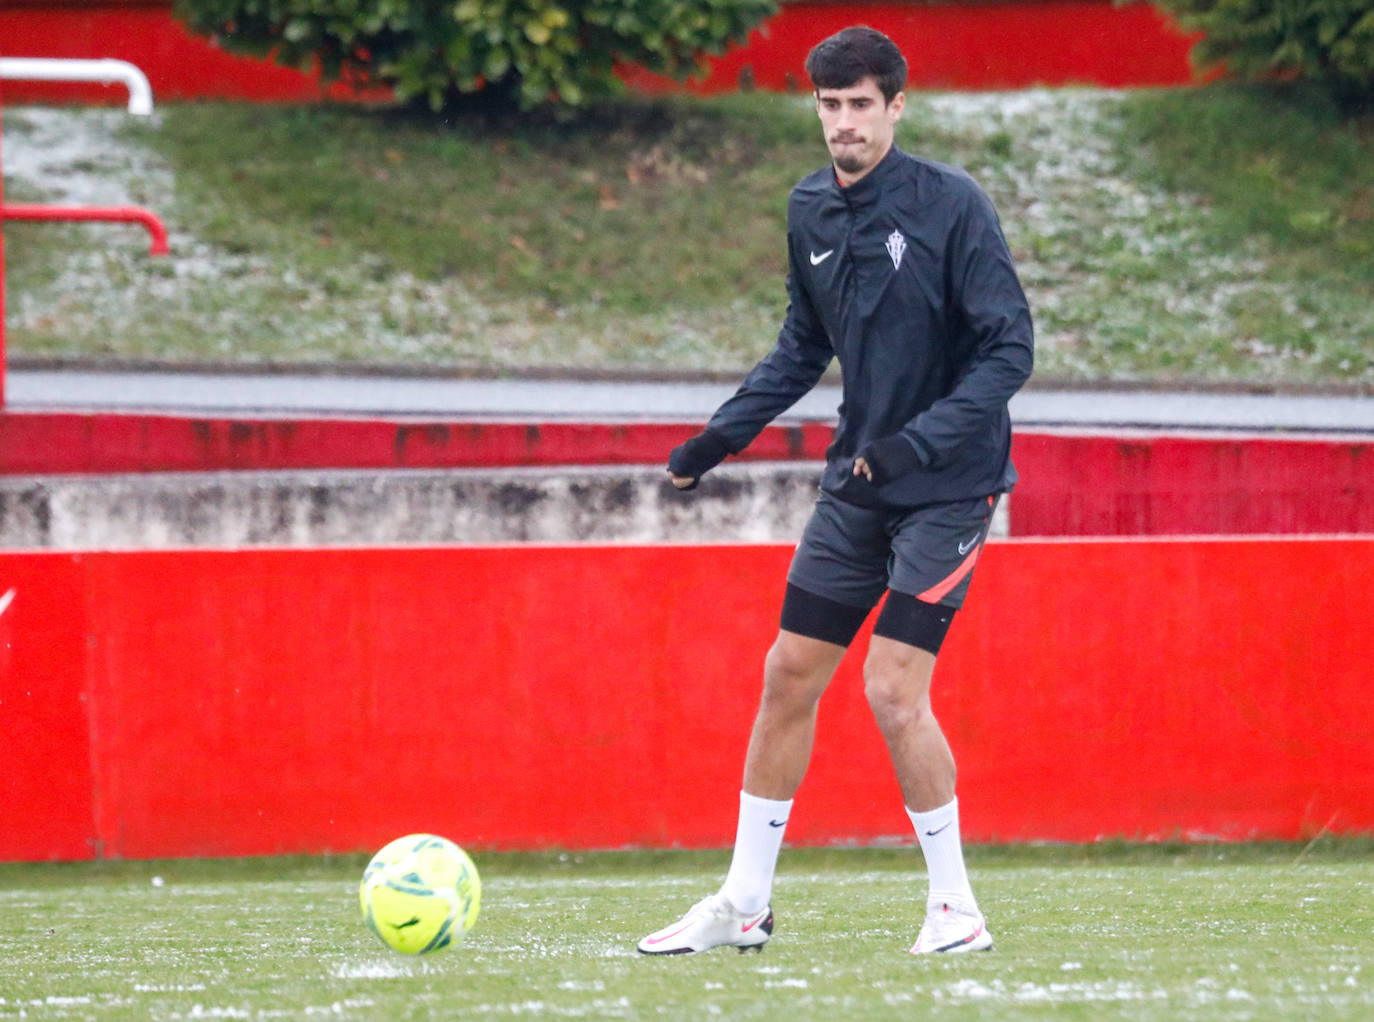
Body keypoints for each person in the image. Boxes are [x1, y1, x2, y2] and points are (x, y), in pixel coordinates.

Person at [636, 25, 1033, 957]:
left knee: (893, 688)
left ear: (897, 106)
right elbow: (800, 348)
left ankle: (956, 912)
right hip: (859, 483)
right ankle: (744, 904)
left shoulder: (952, 205)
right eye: (829, 105)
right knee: (786, 675)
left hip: (950, 486)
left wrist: (917, 446)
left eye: (861, 105)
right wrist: (717, 439)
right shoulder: (810, 208)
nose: (844, 123)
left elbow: (1010, 350)